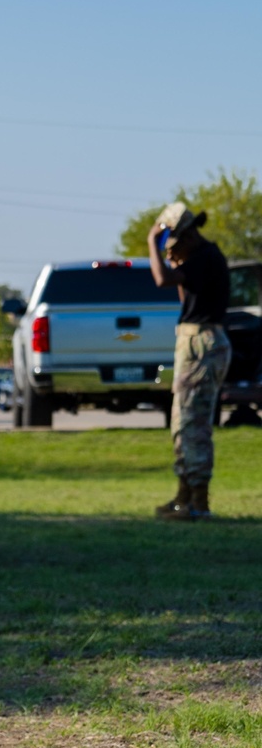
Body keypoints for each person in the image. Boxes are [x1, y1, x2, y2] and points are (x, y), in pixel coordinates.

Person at [149, 202, 232, 520]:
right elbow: (183, 292)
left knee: (193, 424)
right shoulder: (199, 260)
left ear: (187, 236)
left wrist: (150, 242)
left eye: (173, 247)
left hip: (202, 345)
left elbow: (161, 280)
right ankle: (184, 495)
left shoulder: (205, 258)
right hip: (194, 341)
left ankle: (199, 501)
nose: (171, 255)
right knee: (181, 421)